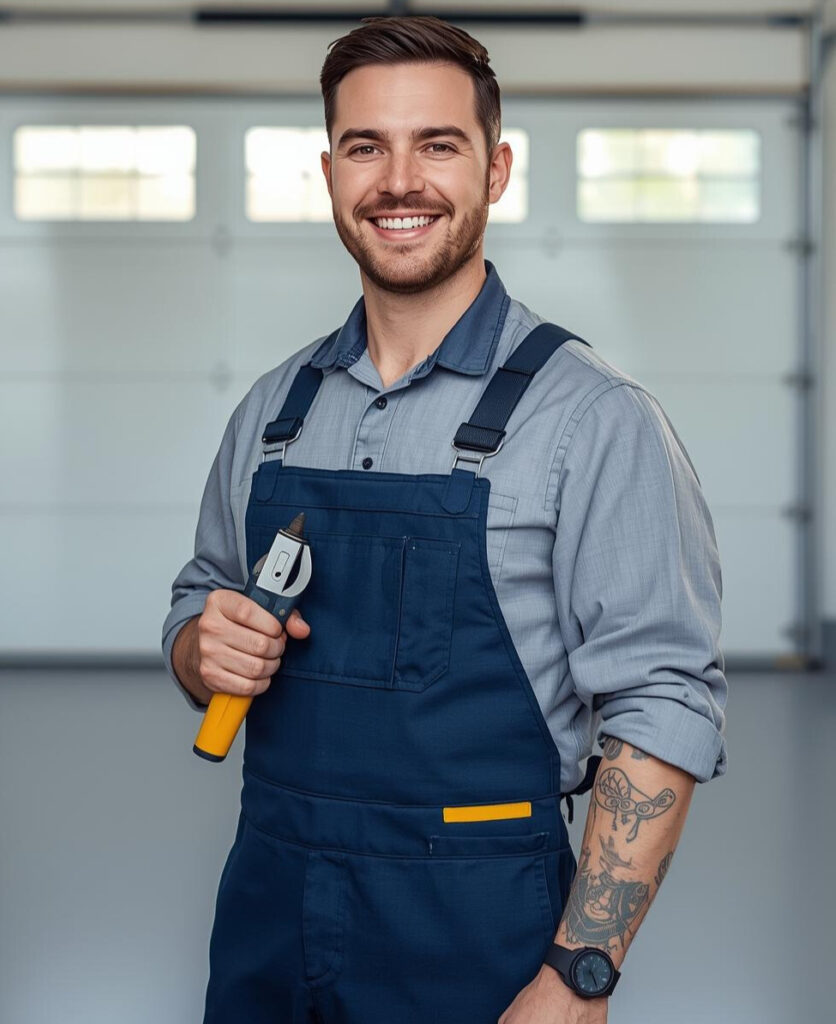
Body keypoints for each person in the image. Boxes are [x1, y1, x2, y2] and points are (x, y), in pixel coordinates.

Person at [161, 14, 727, 1024]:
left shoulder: (592, 419)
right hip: (268, 915)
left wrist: (580, 972)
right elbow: (197, 598)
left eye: (437, 145)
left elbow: (661, 699)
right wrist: (202, 650)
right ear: (328, 172)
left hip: (478, 930)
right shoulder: (273, 412)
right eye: (364, 147)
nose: (398, 182)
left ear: (495, 170)